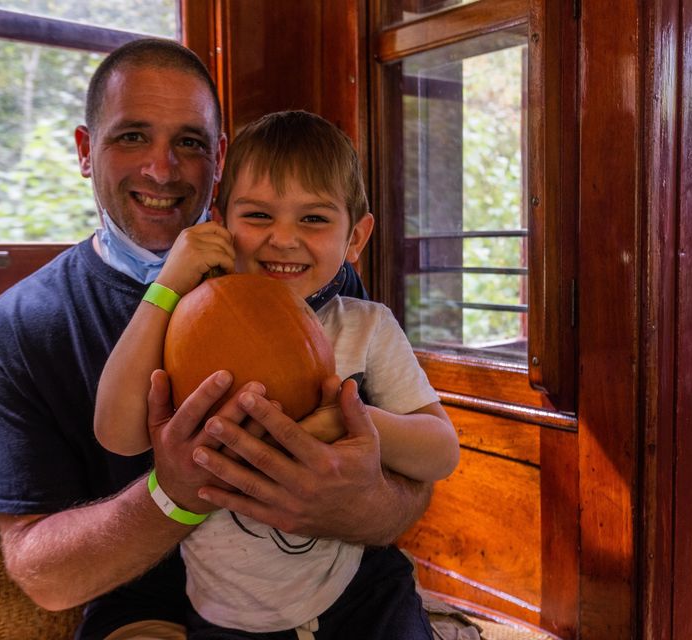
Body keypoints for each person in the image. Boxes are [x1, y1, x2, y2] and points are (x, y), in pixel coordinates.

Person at [0, 37, 436, 640]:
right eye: (132, 136)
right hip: (152, 607)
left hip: (341, 588)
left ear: (219, 157)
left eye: (189, 142)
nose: (162, 169)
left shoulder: (300, 275)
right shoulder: (21, 327)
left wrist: (349, 502)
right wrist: (178, 492)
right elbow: (44, 576)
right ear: (85, 150)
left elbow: (413, 483)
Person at [93, 110, 459, 638]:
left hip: (363, 598)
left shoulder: (367, 326)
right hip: (226, 617)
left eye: (312, 219)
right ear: (219, 224)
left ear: (355, 237)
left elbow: (441, 451)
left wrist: (354, 421)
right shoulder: (185, 320)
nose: (282, 239)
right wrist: (168, 283)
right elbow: (117, 432)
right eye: (258, 216)